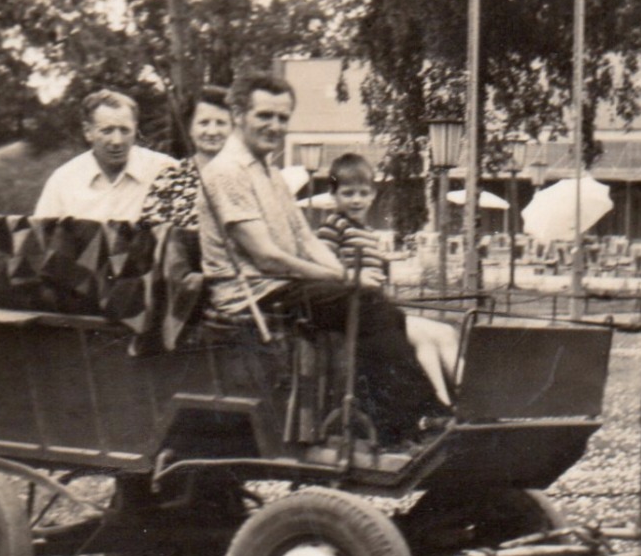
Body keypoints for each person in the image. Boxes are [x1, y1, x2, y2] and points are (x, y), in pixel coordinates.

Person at [196, 73, 448, 446]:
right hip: (251, 294)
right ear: (238, 114)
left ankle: (394, 418)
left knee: (381, 307)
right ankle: (411, 417)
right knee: (362, 302)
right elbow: (267, 258)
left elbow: (305, 240)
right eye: (265, 115)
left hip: (281, 286)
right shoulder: (226, 172)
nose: (275, 127)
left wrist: (345, 273)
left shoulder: (270, 172)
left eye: (283, 118)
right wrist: (346, 281)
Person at [317, 151, 460, 406]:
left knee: (447, 332)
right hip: (353, 311)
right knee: (425, 339)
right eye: (347, 193)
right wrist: (352, 278)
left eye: (363, 193)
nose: (356, 200)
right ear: (334, 195)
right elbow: (324, 271)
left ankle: (470, 396)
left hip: (376, 308)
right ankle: (443, 404)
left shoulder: (369, 233)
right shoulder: (333, 227)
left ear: (373, 194)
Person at [34, 90, 176, 221]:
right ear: (88, 131)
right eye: (107, 131)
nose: (117, 141)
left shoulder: (165, 170)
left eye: (125, 130)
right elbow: (41, 241)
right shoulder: (63, 181)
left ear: (135, 128)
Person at [140, 86, 232, 228]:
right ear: (190, 128)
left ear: (234, 128)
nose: (212, 131)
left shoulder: (245, 176)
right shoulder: (171, 178)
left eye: (221, 123)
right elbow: (150, 232)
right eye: (204, 123)